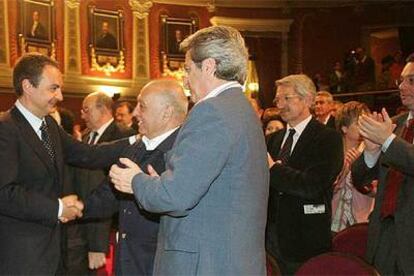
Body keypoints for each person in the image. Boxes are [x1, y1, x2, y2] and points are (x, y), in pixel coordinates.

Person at [110, 25, 269, 275]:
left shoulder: (211, 111)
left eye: (187, 69)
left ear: (208, 66)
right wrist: (162, 183)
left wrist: (136, 181)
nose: (184, 78)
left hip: (205, 265)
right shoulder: (242, 108)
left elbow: (175, 197)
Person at [0, 53, 129, 274]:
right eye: (53, 88)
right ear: (28, 86)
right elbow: (4, 193)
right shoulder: (6, 128)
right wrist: (58, 208)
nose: (60, 96)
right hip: (21, 258)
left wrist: (137, 141)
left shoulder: (49, 125)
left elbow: (88, 154)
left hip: (55, 253)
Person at [85, 79, 188, 275]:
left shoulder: (185, 153)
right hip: (127, 263)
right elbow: (108, 195)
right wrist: (68, 209)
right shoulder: (136, 148)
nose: (135, 113)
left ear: (166, 112)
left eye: (142, 106)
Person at [266, 74, 343, 274]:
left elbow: (312, 186)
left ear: (308, 99)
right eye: (277, 100)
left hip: (305, 242)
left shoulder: (328, 139)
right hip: (270, 241)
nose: (280, 104)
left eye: (286, 98)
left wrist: (273, 168)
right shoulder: (272, 140)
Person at [351, 53, 414, 275]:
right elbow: (360, 179)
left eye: (411, 80)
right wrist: (370, 151)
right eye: (402, 80)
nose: (402, 86)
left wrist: (387, 141)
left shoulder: (389, 133)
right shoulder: (393, 126)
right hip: (384, 234)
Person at [66, 92, 135, 274]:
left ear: (103, 110)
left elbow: (110, 191)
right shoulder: (87, 136)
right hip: (82, 225)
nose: (82, 115)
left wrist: (98, 244)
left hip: (107, 230)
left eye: (87, 110)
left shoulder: (124, 136)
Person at [331, 101, 376, 233]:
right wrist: (343, 173)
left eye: (366, 122)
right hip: (333, 221)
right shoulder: (332, 154)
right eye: (358, 123)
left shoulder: (372, 152)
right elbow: (324, 190)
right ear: (344, 128)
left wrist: (359, 168)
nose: (364, 127)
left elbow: (376, 190)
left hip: (362, 221)